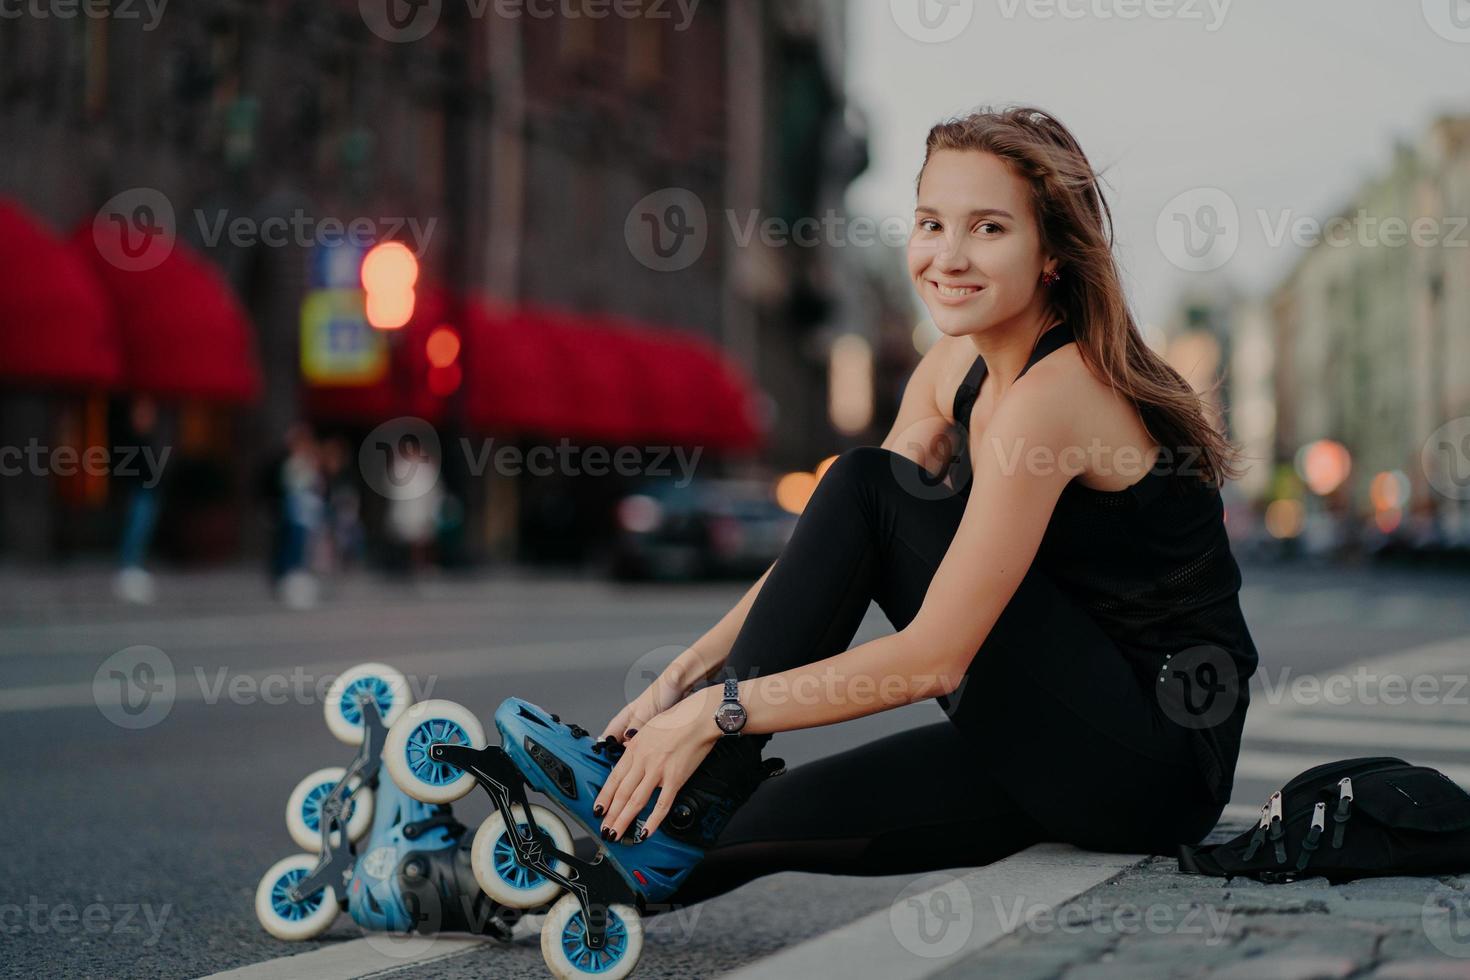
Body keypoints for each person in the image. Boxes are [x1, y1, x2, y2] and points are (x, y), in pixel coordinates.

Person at [590, 105, 1260, 906]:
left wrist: (717, 716)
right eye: (930, 222)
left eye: (987, 229)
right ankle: (500, 885)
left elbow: (934, 658)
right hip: (1052, 725)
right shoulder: (954, 368)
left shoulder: (1062, 394)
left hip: (1152, 758)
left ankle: (708, 778)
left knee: (865, 481)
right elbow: (834, 551)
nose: (947, 256)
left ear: (1052, 253)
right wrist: (684, 677)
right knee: (741, 827)